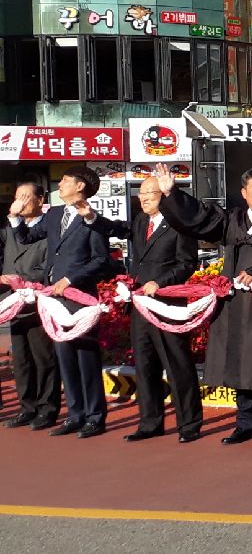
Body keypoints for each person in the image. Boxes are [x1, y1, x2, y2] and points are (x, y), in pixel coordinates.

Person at [155, 163, 252, 445]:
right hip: (236, 304)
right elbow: (200, 217)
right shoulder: (233, 220)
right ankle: (247, 423)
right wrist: (172, 193)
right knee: (241, 363)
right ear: (244, 193)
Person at [10, 167, 114, 438]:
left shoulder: (92, 219)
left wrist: (70, 279)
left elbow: (102, 260)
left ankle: (95, 416)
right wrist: (14, 215)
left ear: (80, 186)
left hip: (80, 297)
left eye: (67, 180)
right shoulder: (54, 214)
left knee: (85, 357)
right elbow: (26, 237)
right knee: (64, 356)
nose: (62, 183)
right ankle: (75, 414)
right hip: (54, 298)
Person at [101, 176, 201, 443]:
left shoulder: (179, 224)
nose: (143, 198)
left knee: (177, 363)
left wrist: (161, 282)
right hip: (140, 307)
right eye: (141, 194)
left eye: (149, 193)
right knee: (145, 365)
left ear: (163, 196)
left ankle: (189, 423)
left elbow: (187, 263)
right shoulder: (140, 221)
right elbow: (119, 232)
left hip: (167, 304)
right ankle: (150, 422)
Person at [1, 183, 60, 430]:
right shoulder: (8, 229)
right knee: (21, 359)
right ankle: (28, 407)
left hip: (37, 299)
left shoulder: (49, 230)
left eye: (27, 197)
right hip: (13, 301)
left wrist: (25, 281)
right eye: (18, 197)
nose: (21, 202)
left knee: (43, 356)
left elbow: (48, 266)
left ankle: (48, 409)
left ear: (40, 199)